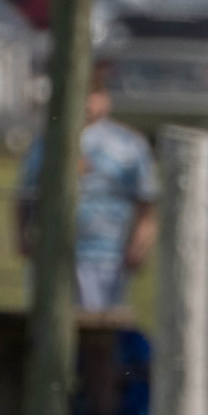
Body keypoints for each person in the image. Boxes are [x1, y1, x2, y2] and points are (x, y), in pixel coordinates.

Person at [15, 67, 158, 311]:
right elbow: (26, 196)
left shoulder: (128, 143)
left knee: (101, 327)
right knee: (49, 318)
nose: (88, 103)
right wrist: (22, 236)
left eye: (94, 94)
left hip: (107, 256)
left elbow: (145, 201)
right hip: (52, 254)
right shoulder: (47, 141)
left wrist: (139, 244)